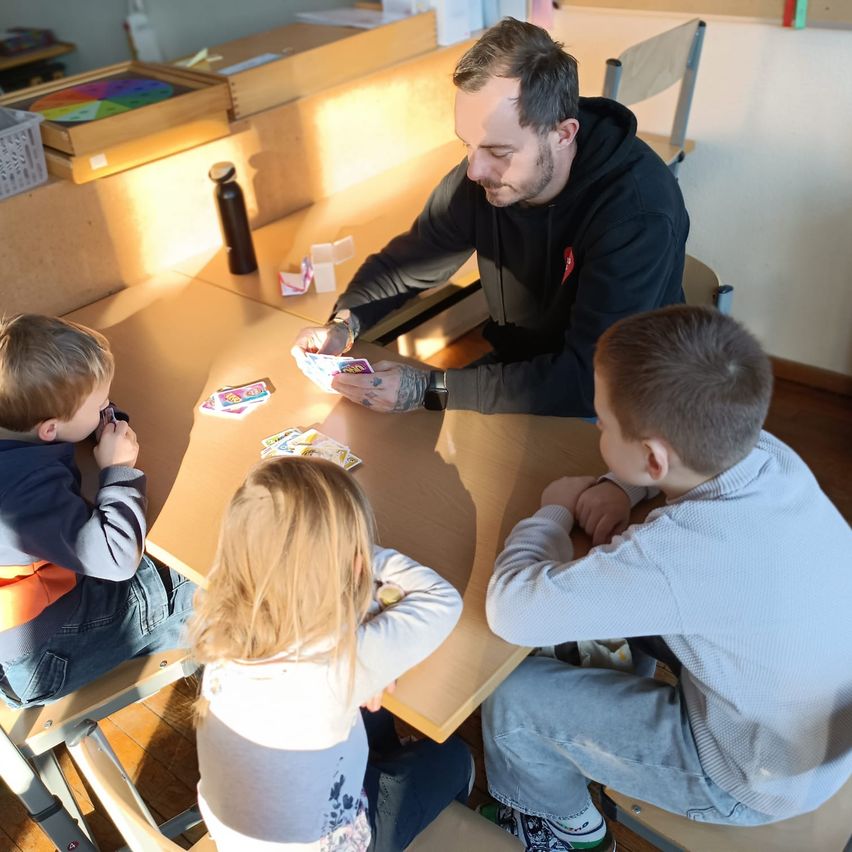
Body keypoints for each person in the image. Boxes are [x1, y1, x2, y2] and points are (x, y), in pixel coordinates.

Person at [478, 306, 852, 851]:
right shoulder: (770, 456)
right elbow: (679, 471)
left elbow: (510, 612)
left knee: (510, 700)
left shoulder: (678, 553)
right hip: (806, 732)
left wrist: (553, 512)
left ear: (653, 458)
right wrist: (618, 485)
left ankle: (567, 829)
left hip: (749, 779)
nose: (598, 428)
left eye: (601, 424)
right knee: (609, 611)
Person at [292, 17, 688, 417]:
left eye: (498, 152)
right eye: (468, 145)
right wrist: (344, 323)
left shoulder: (636, 213)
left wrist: (431, 389)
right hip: (523, 366)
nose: (475, 171)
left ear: (564, 134)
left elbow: (588, 381)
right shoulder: (484, 180)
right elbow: (404, 266)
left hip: (619, 393)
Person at [189, 456, 472, 851]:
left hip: (240, 837)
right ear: (351, 562)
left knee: (375, 721)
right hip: (339, 843)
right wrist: (364, 555)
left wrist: (363, 667)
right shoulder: (339, 666)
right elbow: (443, 600)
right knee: (456, 758)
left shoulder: (216, 622)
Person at [0, 314, 194, 708]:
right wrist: (118, 470)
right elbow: (116, 558)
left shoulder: (17, 424)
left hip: (30, 624)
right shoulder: (25, 495)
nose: (107, 407)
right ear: (49, 430)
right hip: (44, 656)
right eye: (99, 405)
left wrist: (101, 419)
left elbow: (66, 416)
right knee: (208, 582)